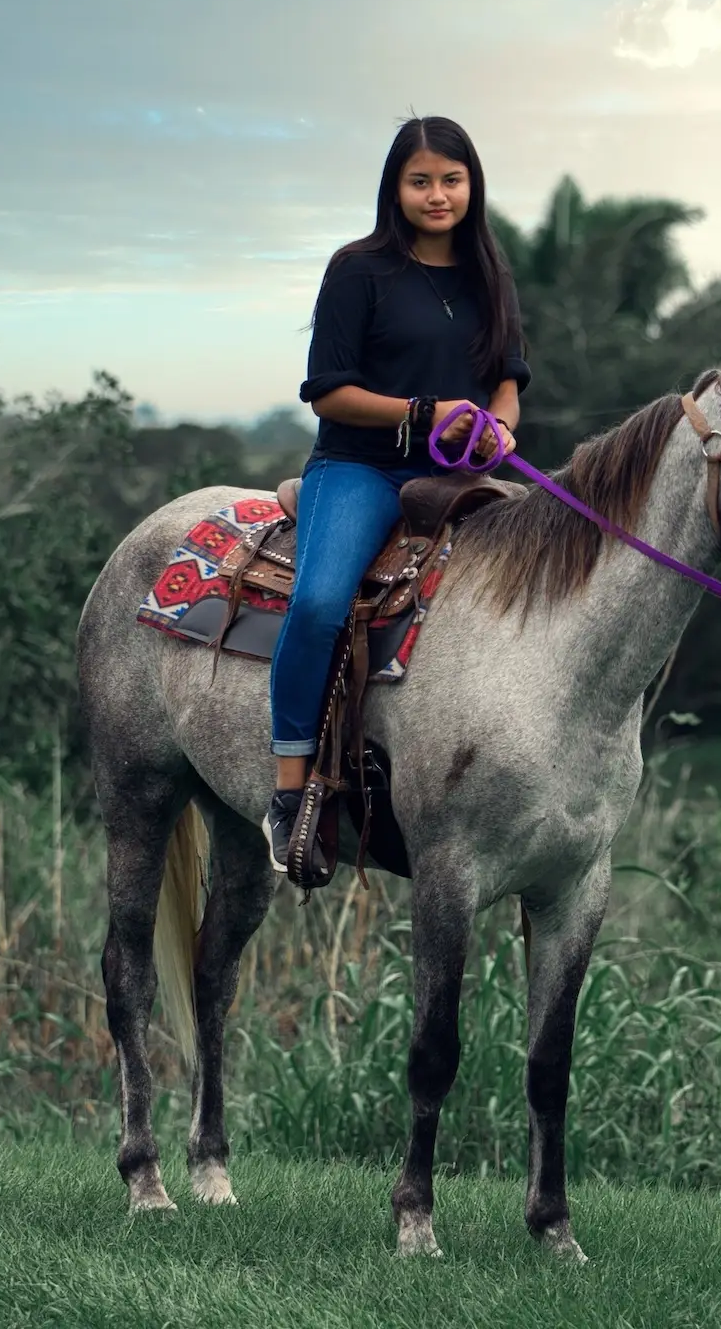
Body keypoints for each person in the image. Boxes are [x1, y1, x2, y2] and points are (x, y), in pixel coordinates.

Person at [265, 116, 530, 874]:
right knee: (320, 603)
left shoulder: (490, 274)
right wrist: (422, 413)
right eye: (420, 181)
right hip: (362, 468)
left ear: (472, 185)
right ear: (395, 189)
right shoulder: (359, 270)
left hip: (457, 479)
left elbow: (506, 382)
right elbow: (328, 393)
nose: (436, 195)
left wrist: (500, 430)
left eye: (451, 180)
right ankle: (290, 790)